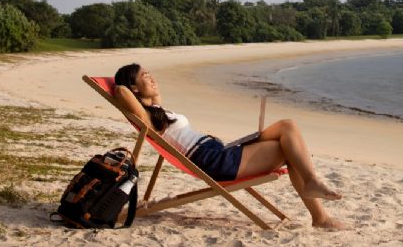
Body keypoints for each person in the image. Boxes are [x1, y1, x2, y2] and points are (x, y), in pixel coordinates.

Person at [113, 63, 346, 229]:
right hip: (213, 161)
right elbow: (120, 91)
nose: (152, 78)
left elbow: (154, 96)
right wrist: (123, 85)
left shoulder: (158, 111)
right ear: (133, 88)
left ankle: (316, 202)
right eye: (145, 75)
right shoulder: (147, 119)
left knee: (288, 127)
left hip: (219, 151)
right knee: (288, 145)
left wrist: (145, 83)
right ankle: (317, 205)